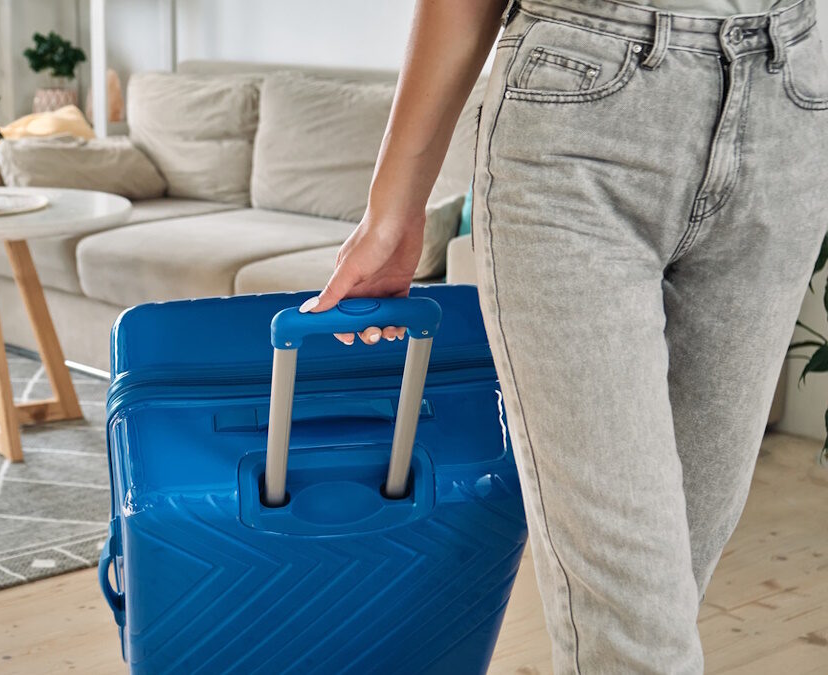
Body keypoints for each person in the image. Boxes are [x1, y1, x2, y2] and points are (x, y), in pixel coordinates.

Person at [303, 0, 828, 671]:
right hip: (582, 105)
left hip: (791, 94)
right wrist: (394, 209)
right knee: (638, 632)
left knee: (663, 596)